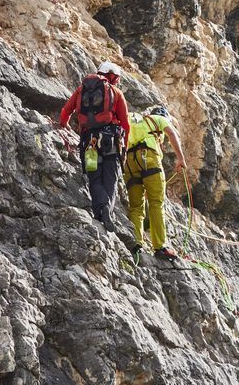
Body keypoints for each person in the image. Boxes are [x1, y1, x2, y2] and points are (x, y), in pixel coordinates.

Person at [59, 62, 130, 234]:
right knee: (110, 178)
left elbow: (65, 112)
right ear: (113, 76)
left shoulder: (81, 90)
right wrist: (124, 149)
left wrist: (64, 125)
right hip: (111, 140)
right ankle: (106, 210)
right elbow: (126, 124)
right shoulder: (116, 93)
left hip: (89, 140)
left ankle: (100, 210)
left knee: (94, 176)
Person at [125, 104, 186, 262]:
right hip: (149, 159)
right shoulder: (159, 119)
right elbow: (172, 133)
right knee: (156, 203)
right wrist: (181, 158)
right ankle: (160, 246)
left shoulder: (137, 122)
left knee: (136, 206)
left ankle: (137, 243)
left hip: (130, 163)